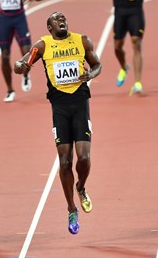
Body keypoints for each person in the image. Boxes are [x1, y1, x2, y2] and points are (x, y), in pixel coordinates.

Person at [14, 12, 102, 235]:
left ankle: (81, 186)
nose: (61, 19)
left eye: (63, 17)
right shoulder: (43, 46)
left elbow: (97, 65)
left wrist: (90, 75)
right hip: (60, 108)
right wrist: (20, 66)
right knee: (64, 162)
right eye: (56, 19)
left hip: (80, 103)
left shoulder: (82, 40)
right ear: (49, 27)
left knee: (84, 157)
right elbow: (20, 63)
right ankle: (72, 208)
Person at [102, 0, 156, 95]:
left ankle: (137, 83)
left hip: (136, 10)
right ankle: (124, 67)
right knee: (117, 46)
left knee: (136, 42)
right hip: (120, 11)